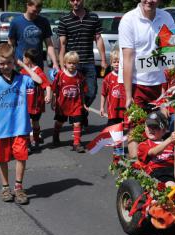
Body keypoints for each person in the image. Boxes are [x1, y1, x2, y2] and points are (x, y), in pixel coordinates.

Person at [118, 0, 175, 158]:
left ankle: (152, 164)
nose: (149, 1)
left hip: (158, 83)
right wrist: (129, 95)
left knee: (158, 125)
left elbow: (173, 52)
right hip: (135, 82)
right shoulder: (128, 19)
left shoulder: (166, 18)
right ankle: (136, 167)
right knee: (135, 127)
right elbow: (128, 58)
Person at [0, 43, 43, 204]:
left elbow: (38, 80)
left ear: (13, 61)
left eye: (9, 62)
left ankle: (18, 187)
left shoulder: (22, 79)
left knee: (21, 156)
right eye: (2, 63)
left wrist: (23, 65)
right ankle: (5, 187)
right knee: (2, 158)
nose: (5, 66)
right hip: (1, 127)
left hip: (20, 126)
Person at [57, 0, 107, 129]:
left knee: (91, 91)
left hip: (89, 61)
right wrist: (62, 66)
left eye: (78, 0)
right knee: (72, 93)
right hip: (72, 63)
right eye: (73, 0)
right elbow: (62, 44)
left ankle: (81, 112)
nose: (75, 2)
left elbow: (98, 39)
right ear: (69, 2)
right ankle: (77, 116)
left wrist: (103, 60)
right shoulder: (65, 19)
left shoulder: (93, 17)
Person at [137, 110, 175, 187]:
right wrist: (170, 139)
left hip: (174, 169)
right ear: (145, 128)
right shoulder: (143, 144)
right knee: (171, 187)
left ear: (164, 131)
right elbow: (153, 152)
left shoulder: (171, 145)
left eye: (155, 127)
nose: (151, 129)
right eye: (149, 126)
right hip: (158, 172)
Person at [51, 51, 87, 153]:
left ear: (77, 64)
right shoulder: (60, 75)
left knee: (77, 123)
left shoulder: (79, 77)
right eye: (70, 63)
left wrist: (84, 103)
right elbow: (55, 90)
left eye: (74, 63)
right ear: (65, 63)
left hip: (76, 104)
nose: (72, 65)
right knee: (60, 122)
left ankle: (76, 143)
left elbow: (83, 91)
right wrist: (54, 101)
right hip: (63, 105)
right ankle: (56, 134)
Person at [8, 0, 59, 71]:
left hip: (37, 66)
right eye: (34, 11)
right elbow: (10, 44)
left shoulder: (44, 22)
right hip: (20, 65)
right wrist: (11, 60)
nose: (36, 14)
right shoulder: (16, 22)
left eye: (38, 12)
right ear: (27, 5)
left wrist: (55, 63)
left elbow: (49, 44)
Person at [20, 48, 52, 153]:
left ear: (29, 59)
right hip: (25, 104)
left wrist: (48, 95)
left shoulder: (38, 71)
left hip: (36, 103)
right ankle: (30, 141)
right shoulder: (23, 71)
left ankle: (36, 136)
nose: (23, 59)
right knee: (27, 122)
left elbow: (46, 84)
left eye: (24, 57)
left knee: (35, 123)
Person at [100, 49, 126, 155]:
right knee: (115, 131)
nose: (116, 64)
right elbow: (103, 94)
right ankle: (118, 150)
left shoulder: (126, 76)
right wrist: (102, 107)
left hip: (124, 110)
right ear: (111, 63)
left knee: (121, 130)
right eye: (114, 61)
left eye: (119, 61)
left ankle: (118, 149)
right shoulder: (108, 78)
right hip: (112, 111)